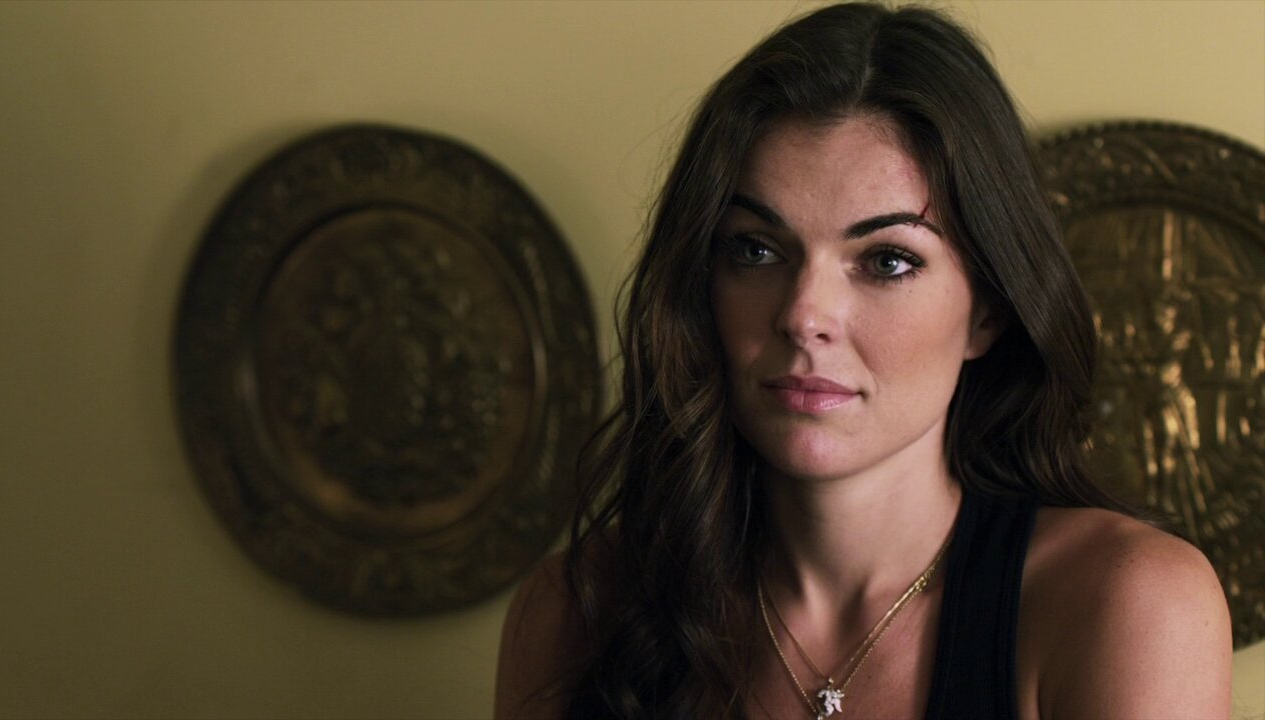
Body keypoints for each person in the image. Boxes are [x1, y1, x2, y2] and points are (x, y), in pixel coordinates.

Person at [494, 3, 1232, 718]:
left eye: (886, 261)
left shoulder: (1124, 603)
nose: (804, 315)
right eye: (756, 250)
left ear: (987, 311)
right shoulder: (577, 612)